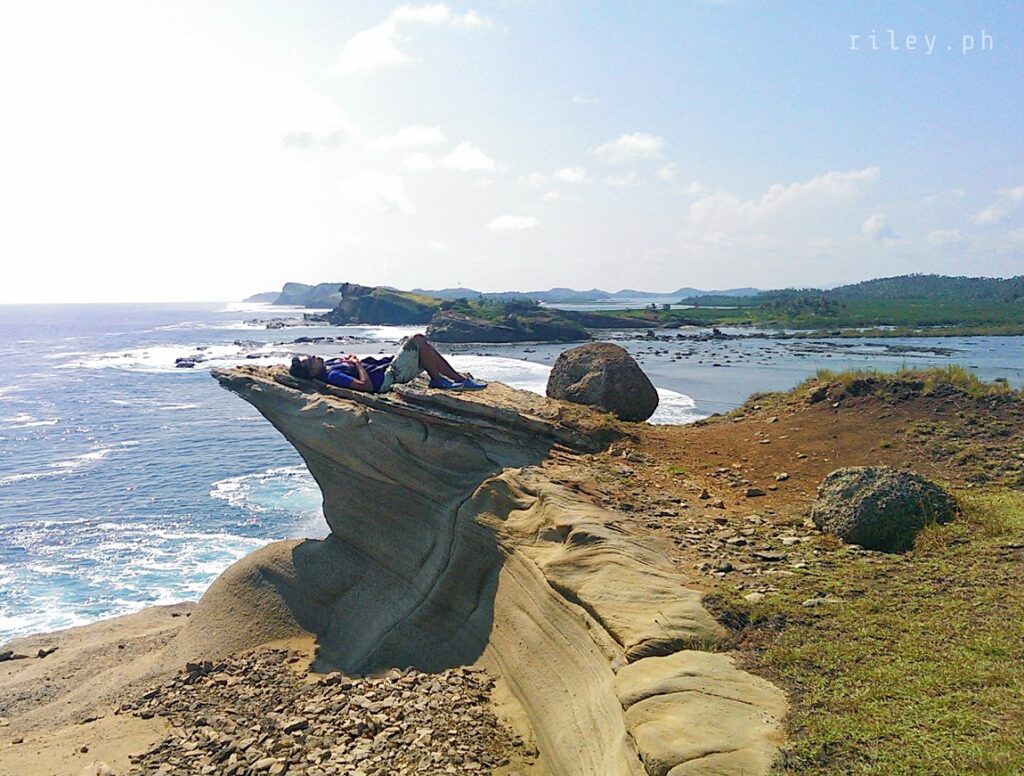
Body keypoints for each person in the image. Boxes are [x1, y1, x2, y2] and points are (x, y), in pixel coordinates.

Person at [288, 333, 487, 393]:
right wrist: (357, 364)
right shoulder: (332, 375)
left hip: (386, 369)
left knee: (425, 348)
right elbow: (366, 386)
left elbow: (347, 362)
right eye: (311, 361)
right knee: (417, 340)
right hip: (386, 379)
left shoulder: (329, 365)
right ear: (312, 373)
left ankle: (456, 380)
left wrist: (350, 360)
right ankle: (441, 380)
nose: (314, 356)